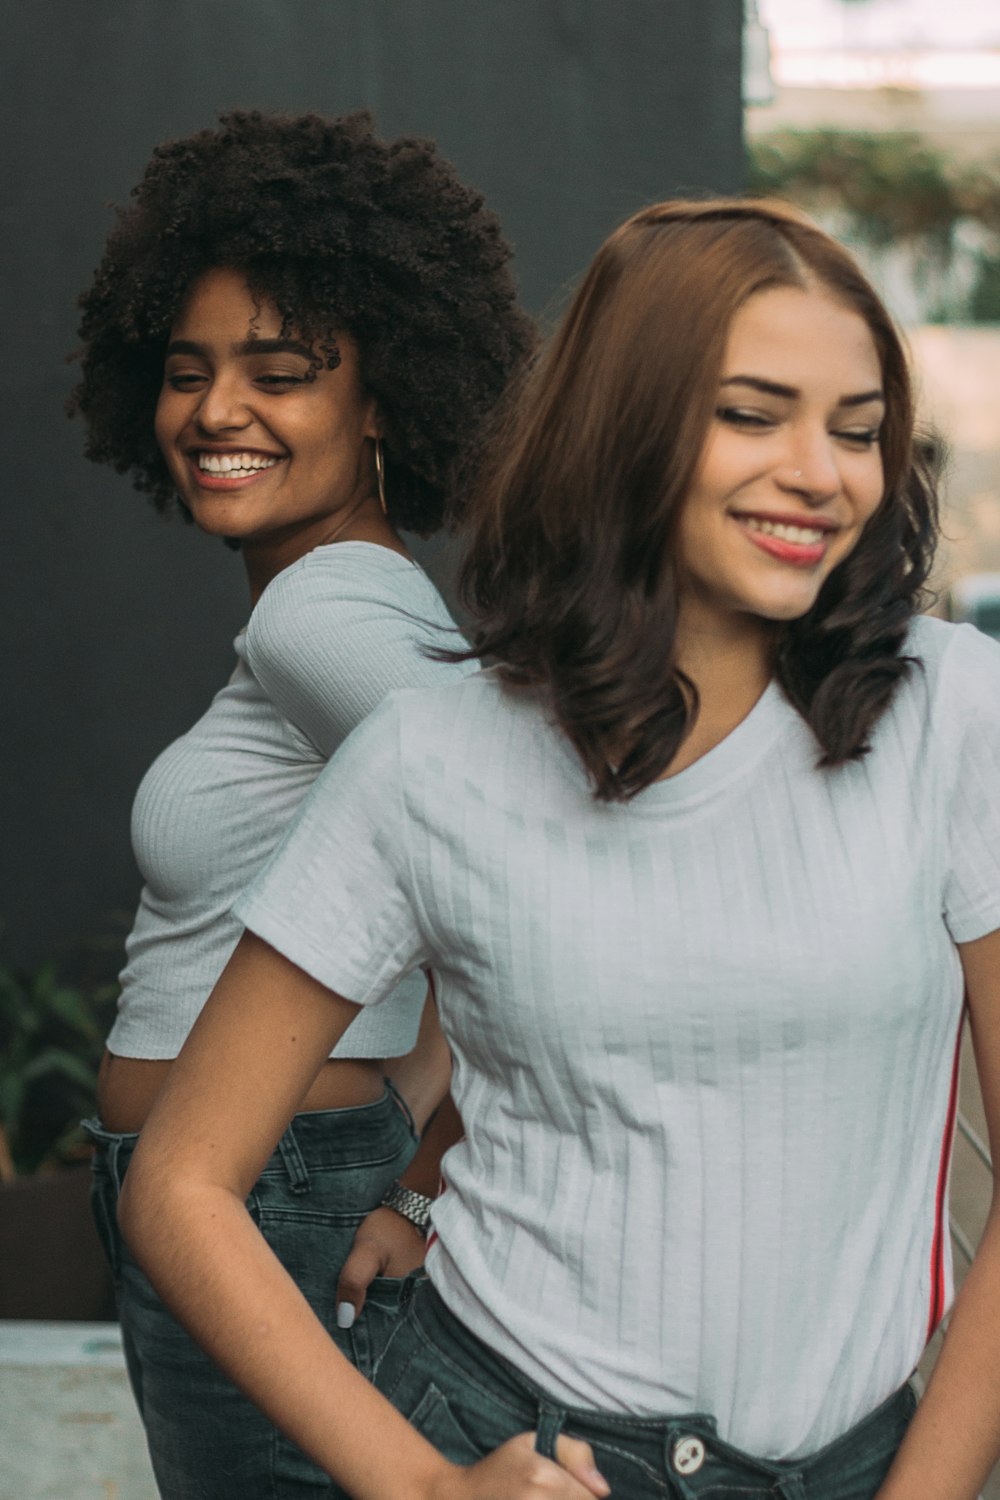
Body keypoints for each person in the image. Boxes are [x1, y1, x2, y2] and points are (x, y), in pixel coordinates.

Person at [119, 197, 1000, 1500]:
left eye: (857, 429)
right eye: (754, 414)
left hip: (859, 1461)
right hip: (505, 1434)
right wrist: (421, 1484)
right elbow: (182, 1179)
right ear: (627, 426)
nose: (822, 470)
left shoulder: (955, 714)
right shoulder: (434, 757)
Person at [70, 107, 533, 1499]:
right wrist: (418, 1127)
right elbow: (468, 861)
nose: (216, 412)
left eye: (279, 374)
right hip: (273, 1186)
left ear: (382, 398)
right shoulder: (352, 599)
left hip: (267, 1200)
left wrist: (428, 1163)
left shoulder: (320, 614)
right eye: (188, 370)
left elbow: (519, 856)